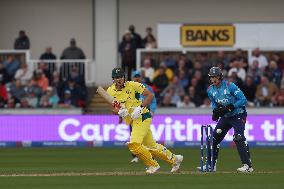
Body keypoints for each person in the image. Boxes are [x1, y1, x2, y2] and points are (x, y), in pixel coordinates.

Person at [107, 68, 183, 174]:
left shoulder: (133, 85)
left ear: (124, 77)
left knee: (134, 144)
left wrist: (140, 107)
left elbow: (150, 95)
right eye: (116, 77)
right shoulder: (110, 91)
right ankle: (175, 159)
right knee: (151, 146)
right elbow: (114, 109)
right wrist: (119, 112)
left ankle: (153, 165)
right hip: (132, 120)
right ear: (113, 79)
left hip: (142, 116)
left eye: (121, 77)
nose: (119, 79)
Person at [197, 67, 253, 173]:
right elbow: (214, 102)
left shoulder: (229, 86)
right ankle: (210, 165)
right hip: (226, 117)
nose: (213, 79)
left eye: (215, 77)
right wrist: (215, 112)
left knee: (238, 137)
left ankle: (247, 166)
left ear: (220, 77)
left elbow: (243, 100)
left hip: (238, 114)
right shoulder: (210, 90)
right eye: (211, 77)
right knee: (213, 139)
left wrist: (230, 107)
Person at [122, 70, 157, 163]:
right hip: (132, 116)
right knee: (133, 135)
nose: (137, 78)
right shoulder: (129, 88)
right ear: (132, 78)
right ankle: (135, 156)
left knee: (145, 136)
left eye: (138, 76)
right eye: (135, 76)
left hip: (144, 114)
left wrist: (152, 111)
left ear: (141, 77)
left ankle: (149, 155)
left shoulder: (147, 87)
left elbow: (153, 99)